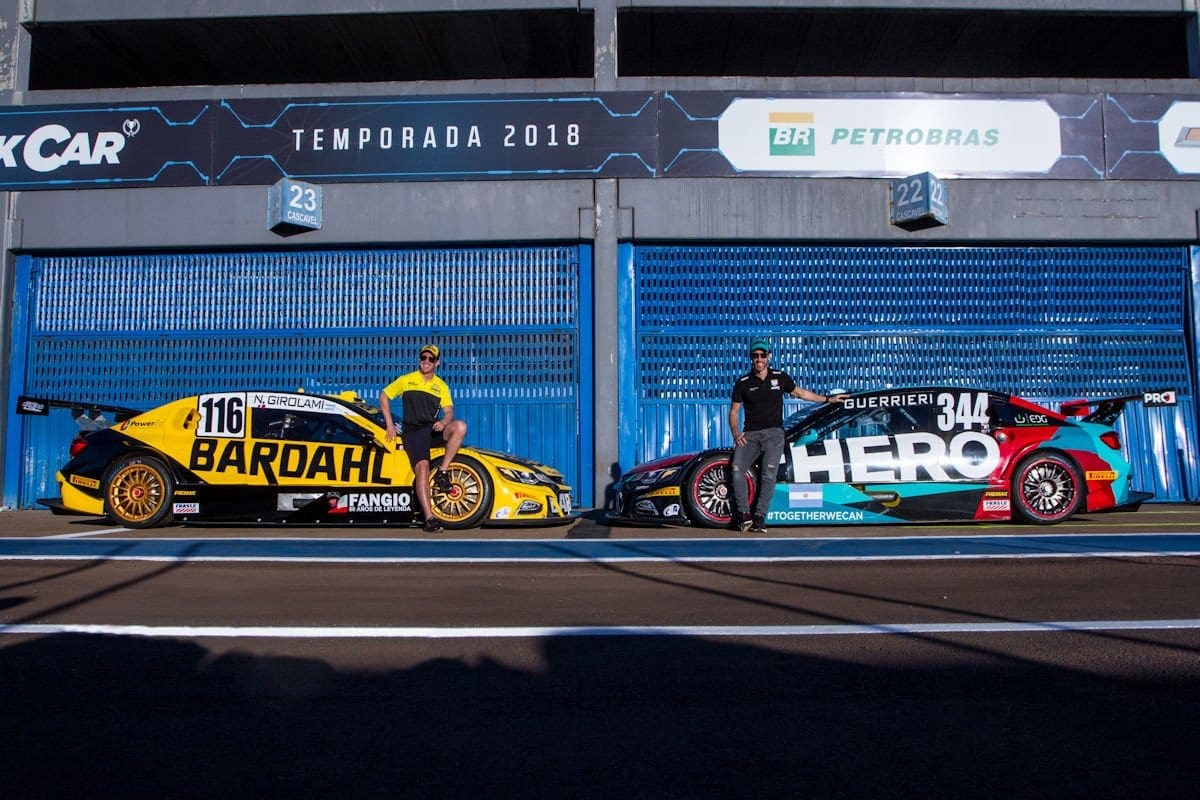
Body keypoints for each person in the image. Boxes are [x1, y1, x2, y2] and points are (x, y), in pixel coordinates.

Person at [728, 338, 847, 533]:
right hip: (750, 434)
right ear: (751, 358)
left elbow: (801, 393)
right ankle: (743, 515)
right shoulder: (742, 383)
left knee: (768, 474)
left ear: (769, 357)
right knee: (736, 468)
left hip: (774, 434)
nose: (759, 359)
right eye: (755, 356)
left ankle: (759, 517)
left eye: (762, 355)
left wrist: (828, 399)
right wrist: (735, 433)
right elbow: (733, 411)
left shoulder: (780, 377)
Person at [379, 344, 467, 533]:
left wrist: (443, 422)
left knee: (460, 426)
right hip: (414, 432)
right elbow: (384, 396)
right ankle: (429, 518)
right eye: (423, 358)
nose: (426, 361)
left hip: (433, 429)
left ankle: (443, 471)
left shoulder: (441, 386)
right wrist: (389, 424)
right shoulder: (407, 380)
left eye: (430, 359)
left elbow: (449, 411)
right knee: (423, 467)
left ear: (437, 363)